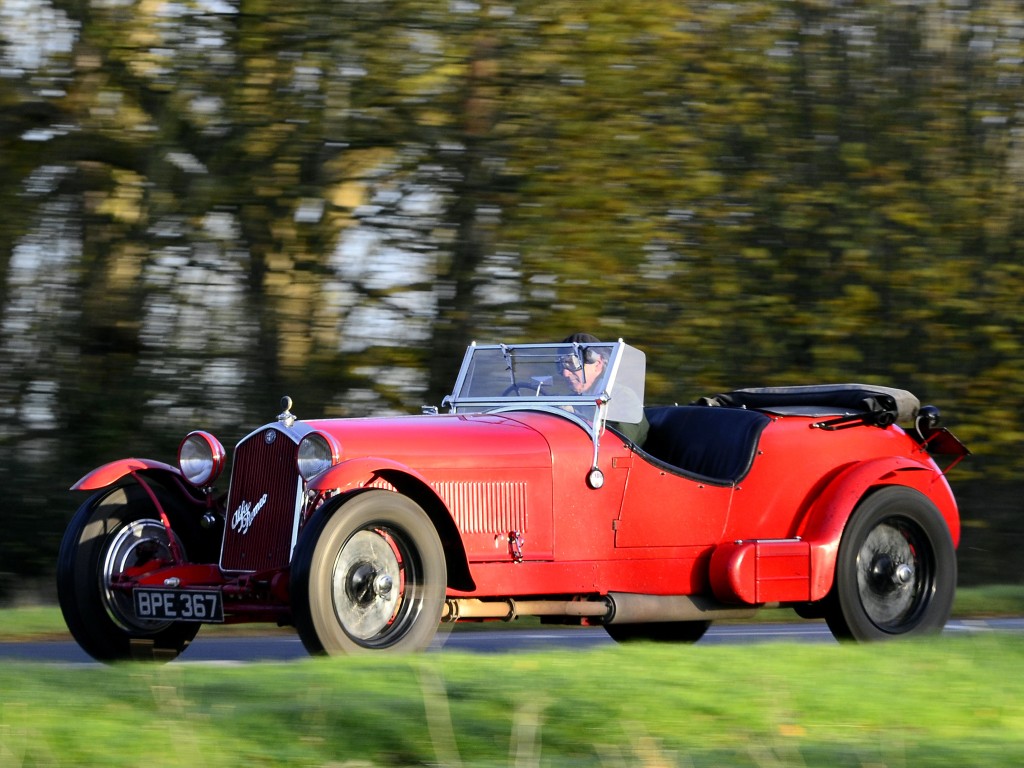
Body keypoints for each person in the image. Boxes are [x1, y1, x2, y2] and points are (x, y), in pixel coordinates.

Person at [559, 333, 649, 446]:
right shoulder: (571, 401)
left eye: (572, 364)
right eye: (561, 365)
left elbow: (622, 442)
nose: (565, 373)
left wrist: (577, 417)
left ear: (598, 364)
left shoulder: (623, 396)